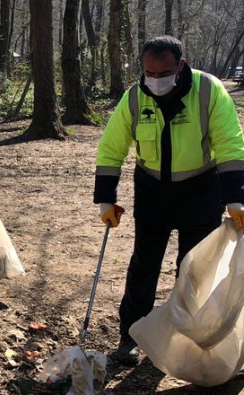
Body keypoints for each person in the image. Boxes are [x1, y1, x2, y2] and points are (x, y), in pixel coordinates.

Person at [94, 35, 244, 365]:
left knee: (193, 271)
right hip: (152, 191)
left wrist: (236, 199)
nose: (156, 80)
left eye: (164, 74)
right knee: (143, 266)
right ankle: (130, 336)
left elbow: (230, 145)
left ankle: (184, 338)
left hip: (201, 190)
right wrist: (105, 198)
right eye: (150, 73)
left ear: (181, 67)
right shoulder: (134, 98)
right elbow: (111, 148)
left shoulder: (208, 91)